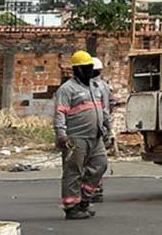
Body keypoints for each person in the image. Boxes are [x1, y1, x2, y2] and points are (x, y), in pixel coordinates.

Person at [54, 50, 108, 219]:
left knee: (101, 164)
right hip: (75, 137)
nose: (88, 71)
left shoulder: (95, 87)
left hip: (96, 136)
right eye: (85, 67)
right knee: (73, 171)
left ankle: (84, 198)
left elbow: (102, 110)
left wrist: (108, 129)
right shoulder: (67, 89)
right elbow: (59, 113)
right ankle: (72, 206)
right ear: (77, 70)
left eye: (90, 67)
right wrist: (61, 134)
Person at [89, 57, 112, 203]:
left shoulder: (91, 87)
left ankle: (92, 188)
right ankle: (97, 188)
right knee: (97, 160)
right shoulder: (105, 85)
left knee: (90, 160)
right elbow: (110, 104)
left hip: (93, 126)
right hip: (103, 125)